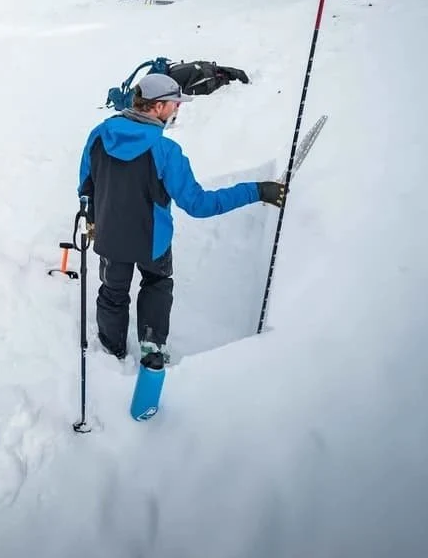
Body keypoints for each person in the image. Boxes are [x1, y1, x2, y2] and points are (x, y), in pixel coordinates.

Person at [78, 73, 286, 361]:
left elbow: (85, 184)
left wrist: (91, 216)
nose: (178, 109)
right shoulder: (165, 151)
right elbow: (198, 204)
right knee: (156, 284)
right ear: (159, 106)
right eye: (176, 103)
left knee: (113, 292)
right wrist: (257, 191)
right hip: (153, 242)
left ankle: (111, 350)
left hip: (109, 237)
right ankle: (152, 349)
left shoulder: (99, 134)